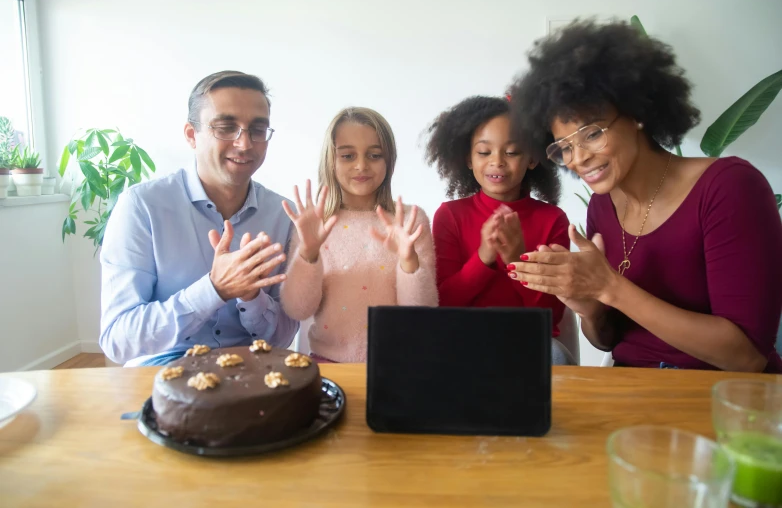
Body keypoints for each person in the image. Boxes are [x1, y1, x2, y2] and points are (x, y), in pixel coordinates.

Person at [507, 21, 782, 372]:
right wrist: (589, 307)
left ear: (636, 113)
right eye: (564, 147)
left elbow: (746, 357)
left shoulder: (729, 187)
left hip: (718, 395)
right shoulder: (602, 206)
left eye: (591, 134)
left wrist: (611, 288)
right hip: (632, 387)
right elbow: (610, 340)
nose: (578, 159)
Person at [100, 71, 298, 366]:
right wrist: (213, 290)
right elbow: (118, 340)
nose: (244, 144)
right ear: (192, 135)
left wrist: (253, 297)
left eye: (257, 129)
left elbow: (281, 338)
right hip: (162, 371)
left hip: (253, 371)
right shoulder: (142, 207)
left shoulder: (283, 214)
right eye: (226, 127)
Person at [280, 107, 438, 362]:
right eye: (347, 155)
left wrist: (409, 263)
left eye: (374, 155)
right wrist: (308, 255)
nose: (361, 165)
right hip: (328, 364)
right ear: (331, 160)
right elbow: (298, 309)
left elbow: (421, 313)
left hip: (398, 364)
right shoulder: (314, 224)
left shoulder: (409, 221)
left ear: (389, 160)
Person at [424, 96, 570, 338]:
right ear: (468, 159)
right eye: (484, 151)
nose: (497, 161)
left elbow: (550, 315)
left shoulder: (553, 220)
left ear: (532, 158)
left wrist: (515, 260)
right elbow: (443, 303)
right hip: (461, 339)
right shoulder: (450, 216)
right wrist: (483, 258)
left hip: (527, 341)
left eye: (512, 152)